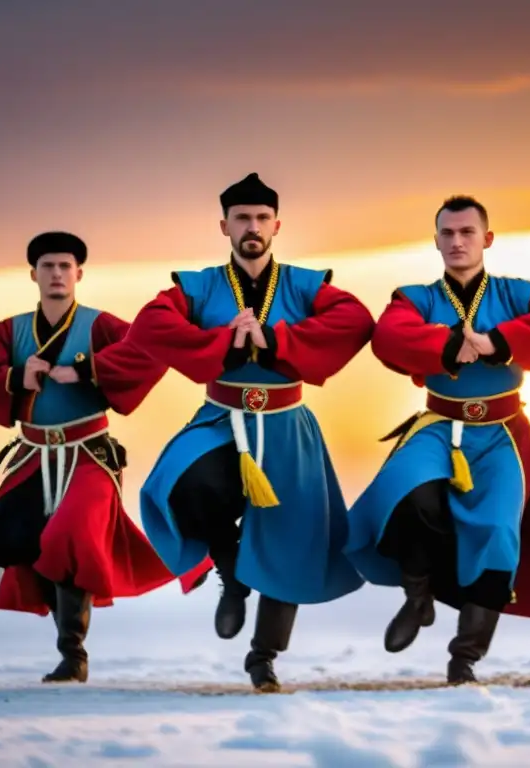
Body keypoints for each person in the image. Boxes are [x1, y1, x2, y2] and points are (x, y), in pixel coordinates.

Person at [344, 195, 530, 684]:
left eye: (467, 232)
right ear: (436, 241)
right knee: (403, 494)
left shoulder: (519, 294)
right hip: (437, 425)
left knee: (497, 533)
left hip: (504, 435)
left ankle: (464, 658)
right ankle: (418, 593)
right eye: (447, 234)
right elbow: (389, 335)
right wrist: (448, 345)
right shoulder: (415, 298)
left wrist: (500, 341)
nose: (457, 242)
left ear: (487, 239)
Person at [125, 172, 375, 691]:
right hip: (221, 417)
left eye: (262, 218)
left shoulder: (307, 286)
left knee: (294, 537)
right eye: (242, 218)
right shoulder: (197, 287)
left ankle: (264, 658)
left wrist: (277, 339)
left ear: (277, 225)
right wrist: (226, 345)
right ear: (225, 226)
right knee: (182, 484)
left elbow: (355, 320)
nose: (252, 227)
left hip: (287, 426)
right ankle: (232, 570)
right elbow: (149, 325)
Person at [0, 231, 179, 684]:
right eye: (48, 266)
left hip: (89, 455)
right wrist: (17, 376)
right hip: (34, 457)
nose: (57, 273)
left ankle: (72, 654)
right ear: (33, 274)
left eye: (65, 266)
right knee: (32, 545)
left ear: (79, 273)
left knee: (70, 535)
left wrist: (91, 370)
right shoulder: (10, 331)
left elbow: (150, 352)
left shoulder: (100, 326)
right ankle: (71, 653)